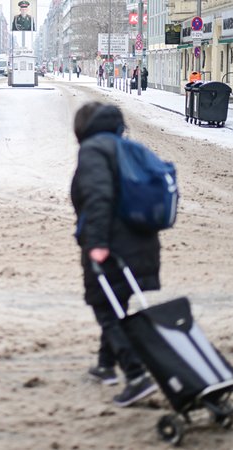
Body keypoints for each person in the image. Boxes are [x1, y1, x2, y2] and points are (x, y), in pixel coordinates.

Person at [70, 101, 160, 407]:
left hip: (111, 244)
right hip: (142, 242)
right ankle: (106, 365)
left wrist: (97, 244)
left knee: (105, 309)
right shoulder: (126, 147)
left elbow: (99, 197)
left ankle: (136, 375)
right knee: (115, 303)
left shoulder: (94, 150)